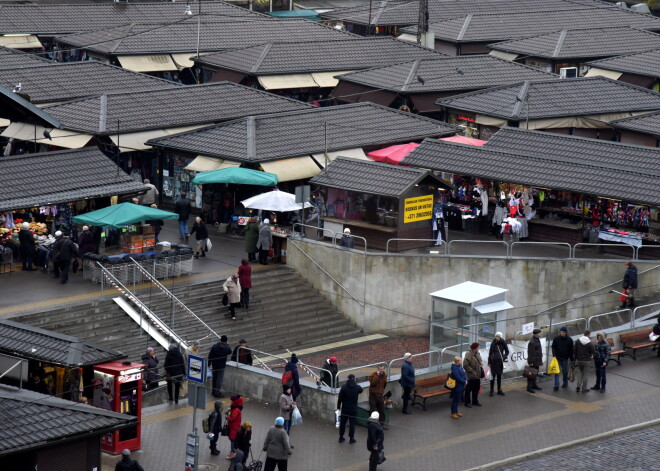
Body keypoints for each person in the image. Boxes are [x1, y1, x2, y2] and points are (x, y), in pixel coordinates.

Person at [337, 373, 362, 444]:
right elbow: (361, 390)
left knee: (343, 423)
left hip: (345, 409)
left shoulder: (344, 387)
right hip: (353, 409)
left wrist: (338, 407)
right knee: (352, 424)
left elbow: (340, 399)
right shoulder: (357, 387)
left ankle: (341, 437)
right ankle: (351, 438)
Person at [551, 327, 574, 391]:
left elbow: (571, 350)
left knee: (565, 371)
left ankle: (565, 383)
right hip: (557, 358)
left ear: (565, 333)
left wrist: (572, 359)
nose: (561, 333)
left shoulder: (569, 340)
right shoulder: (556, 339)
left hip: (565, 359)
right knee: (557, 372)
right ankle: (556, 385)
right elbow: (553, 347)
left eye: (563, 332)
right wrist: (554, 355)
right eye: (561, 332)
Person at [488, 332, 509, 396]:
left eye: (498, 336)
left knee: (499, 376)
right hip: (493, 362)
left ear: (500, 337)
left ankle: (499, 389)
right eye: (496, 336)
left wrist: (504, 357)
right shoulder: (493, 343)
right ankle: (491, 390)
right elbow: (490, 353)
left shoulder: (503, 342)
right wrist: (489, 362)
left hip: (500, 362)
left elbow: (507, 351)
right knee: (493, 377)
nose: (497, 337)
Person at [368, 365, 387, 430]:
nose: (381, 371)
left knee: (382, 411)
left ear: (384, 369)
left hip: (380, 395)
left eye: (382, 369)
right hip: (373, 395)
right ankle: (373, 426)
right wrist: (377, 376)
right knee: (373, 411)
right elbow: (372, 384)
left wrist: (381, 392)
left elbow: (384, 385)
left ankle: (381, 425)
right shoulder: (373, 375)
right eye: (380, 369)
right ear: (378, 369)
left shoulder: (385, 376)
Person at [226, 394, 243, 460]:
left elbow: (232, 418)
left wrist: (227, 418)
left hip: (234, 427)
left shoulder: (236, 409)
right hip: (234, 427)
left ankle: (233, 453)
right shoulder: (237, 407)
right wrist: (229, 412)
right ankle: (233, 452)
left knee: (232, 440)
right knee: (232, 440)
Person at [527, 329, 543, 393]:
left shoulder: (537, 340)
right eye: (539, 333)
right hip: (533, 361)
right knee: (531, 374)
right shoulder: (532, 342)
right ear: (536, 334)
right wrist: (530, 362)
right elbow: (530, 353)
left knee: (535, 373)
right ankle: (529, 387)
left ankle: (534, 385)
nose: (540, 334)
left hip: (537, 360)